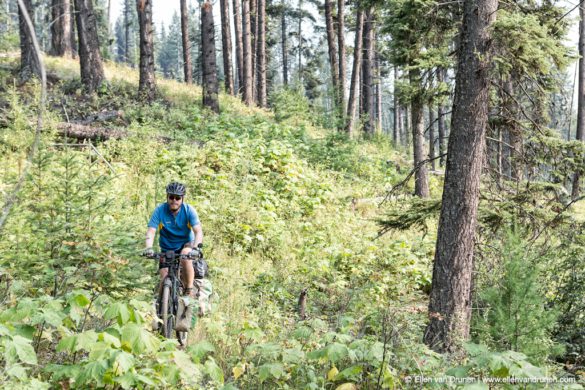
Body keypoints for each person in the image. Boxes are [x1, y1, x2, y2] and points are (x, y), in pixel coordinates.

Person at [144, 182, 203, 298]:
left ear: (182, 199)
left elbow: (198, 231)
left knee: (185, 255)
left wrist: (195, 248)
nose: (174, 200)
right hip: (167, 247)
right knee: (164, 276)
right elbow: (151, 231)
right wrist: (148, 248)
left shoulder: (188, 210)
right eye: (171, 197)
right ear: (167, 197)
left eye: (177, 198)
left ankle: (189, 290)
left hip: (186, 244)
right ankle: (161, 306)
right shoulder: (160, 210)